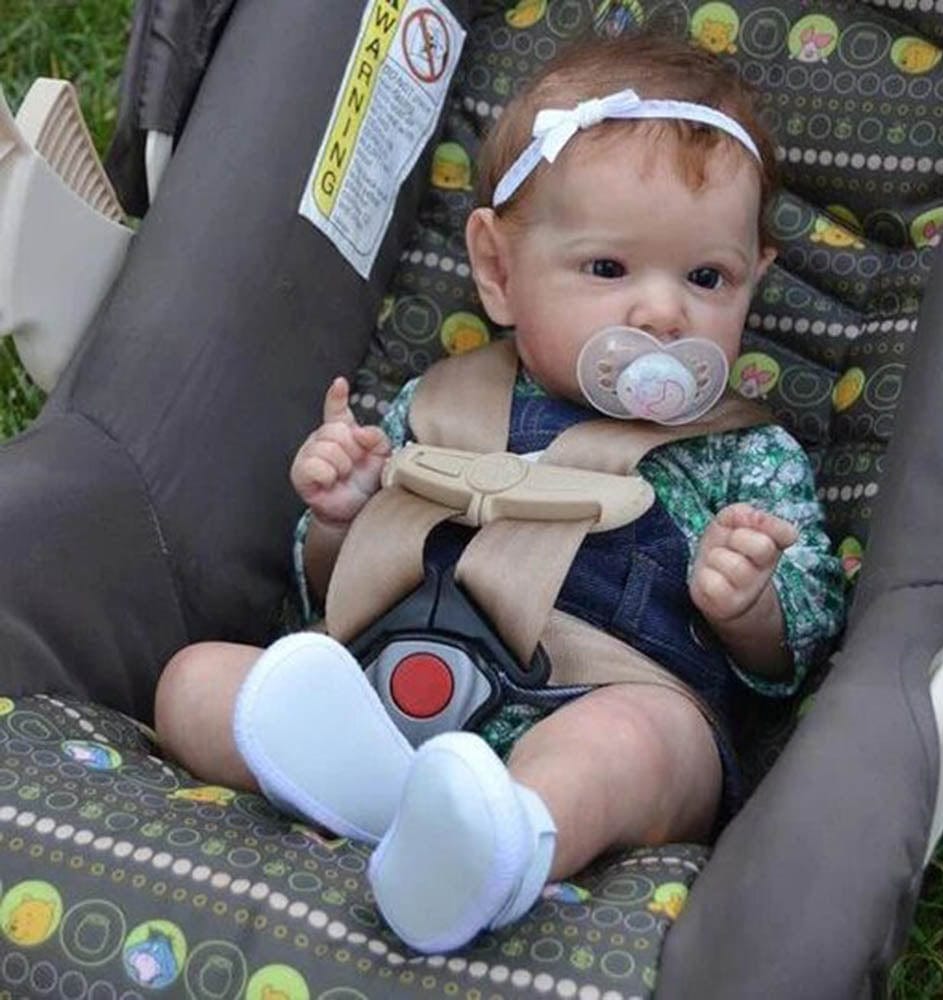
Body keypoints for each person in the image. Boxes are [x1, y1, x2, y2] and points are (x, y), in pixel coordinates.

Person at [154, 33, 845, 954]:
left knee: (646, 744)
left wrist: (750, 599)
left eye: (706, 278)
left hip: (592, 706)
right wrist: (339, 517)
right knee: (195, 683)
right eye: (608, 270)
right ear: (497, 271)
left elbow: (801, 636)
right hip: (382, 686)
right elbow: (329, 590)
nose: (662, 312)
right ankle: (394, 807)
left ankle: (505, 840)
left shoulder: (746, 454)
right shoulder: (435, 404)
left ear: (752, 283)